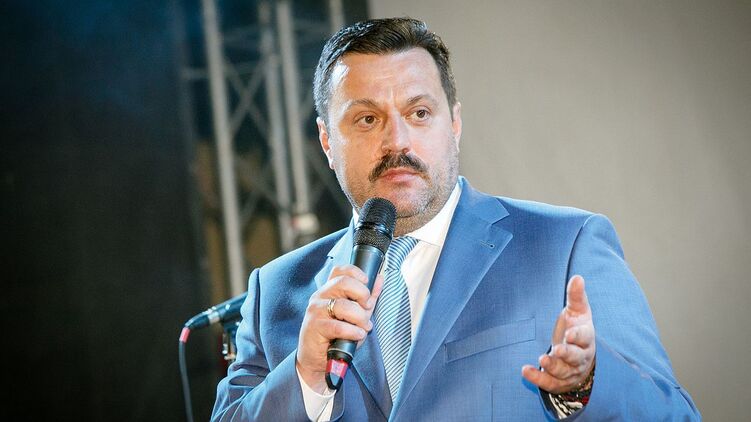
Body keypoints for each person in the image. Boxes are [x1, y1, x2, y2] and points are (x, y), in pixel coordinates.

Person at [211, 17, 699, 421]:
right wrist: (304, 377)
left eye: (420, 112)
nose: (397, 141)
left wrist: (585, 383)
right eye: (367, 119)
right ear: (325, 142)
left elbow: (675, 416)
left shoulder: (565, 246)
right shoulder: (275, 292)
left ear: (455, 123)